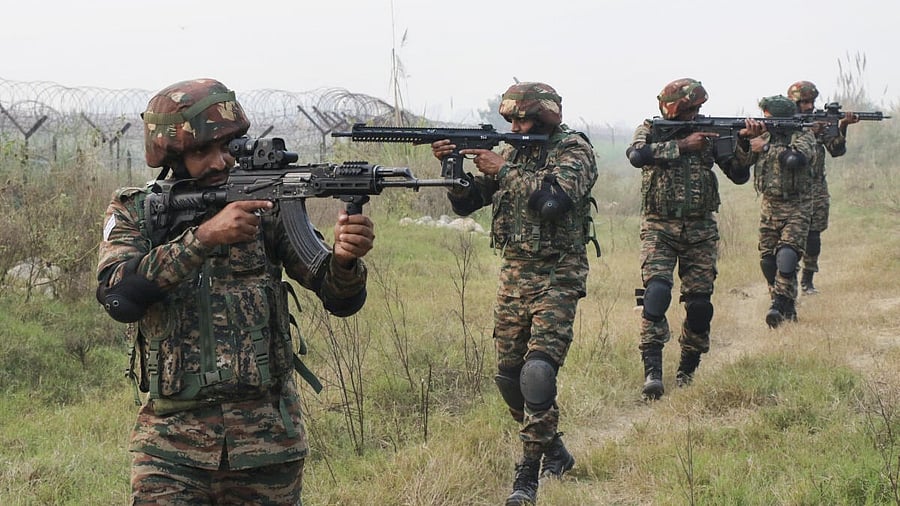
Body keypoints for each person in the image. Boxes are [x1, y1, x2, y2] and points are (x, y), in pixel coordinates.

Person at [96, 78, 375, 505]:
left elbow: (340, 299)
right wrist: (203, 238)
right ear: (170, 156)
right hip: (171, 448)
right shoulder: (136, 210)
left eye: (227, 146)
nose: (218, 161)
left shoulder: (267, 206)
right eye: (200, 152)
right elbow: (118, 297)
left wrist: (345, 260)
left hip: (266, 445)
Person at [432, 82, 598, 506]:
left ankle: (529, 472)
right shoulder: (517, 153)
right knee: (509, 376)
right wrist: (454, 168)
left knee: (538, 372)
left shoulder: (573, 151)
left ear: (545, 117)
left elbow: (553, 202)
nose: (517, 126)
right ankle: (554, 449)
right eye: (511, 120)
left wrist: (502, 168)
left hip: (560, 270)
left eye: (524, 119)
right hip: (516, 274)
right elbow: (467, 204)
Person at [625, 78, 762, 401]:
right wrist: (684, 145)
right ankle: (653, 372)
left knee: (699, 305)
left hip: (700, 231)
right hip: (659, 228)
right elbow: (637, 155)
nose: (697, 114)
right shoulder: (649, 128)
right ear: (675, 108)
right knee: (656, 294)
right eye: (691, 110)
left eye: (698, 109)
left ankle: (688, 370)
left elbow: (739, 174)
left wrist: (744, 143)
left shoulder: (711, 134)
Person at [737, 95, 818, 328]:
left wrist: (768, 148)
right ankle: (785, 301)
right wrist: (744, 140)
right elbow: (742, 164)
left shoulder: (803, 135)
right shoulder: (762, 136)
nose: (765, 122)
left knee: (787, 255)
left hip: (797, 205)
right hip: (769, 205)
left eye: (769, 118)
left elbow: (796, 159)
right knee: (767, 260)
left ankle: (778, 304)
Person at [787, 80, 859, 294]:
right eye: (804, 102)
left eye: (811, 101)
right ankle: (785, 281)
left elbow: (836, 151)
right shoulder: (785, 124)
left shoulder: (820, 121)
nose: (809, 106)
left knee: (813, 236)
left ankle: (807, 281)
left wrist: (842, 127)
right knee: (789, 240)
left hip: (816, 188)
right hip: (792, 191)